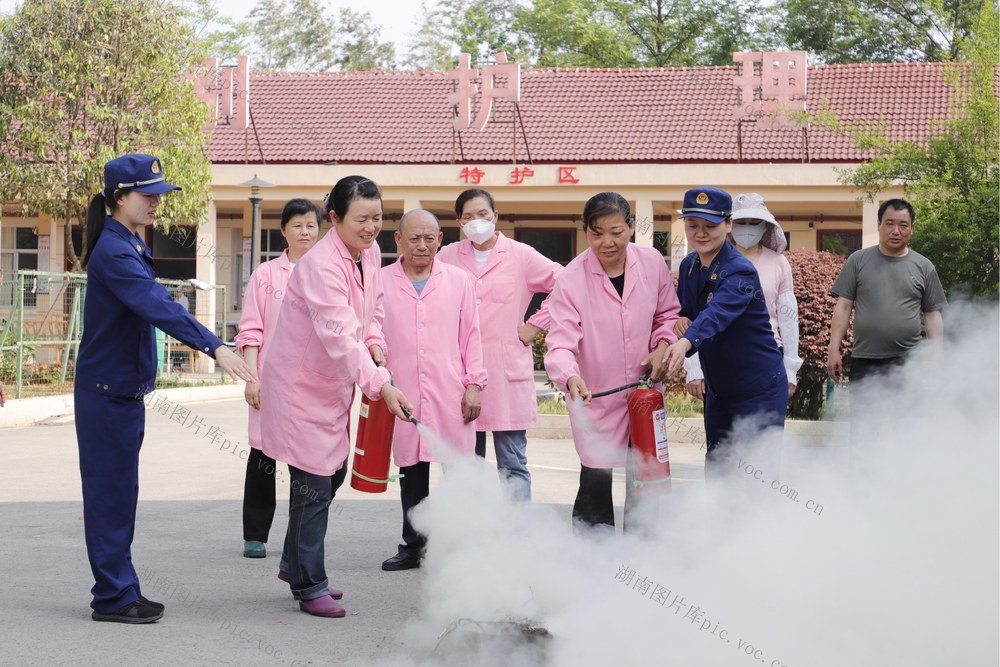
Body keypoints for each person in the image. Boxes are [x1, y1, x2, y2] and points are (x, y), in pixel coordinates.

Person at [75, 154, 256, 624]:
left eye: (159, 194)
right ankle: (113, 596)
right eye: (147, 194)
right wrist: (214, 346)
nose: (157, 203)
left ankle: (119, 587)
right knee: (110, 496)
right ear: (119, 198)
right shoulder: (115, 251)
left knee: (119, 493)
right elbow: (157, 305)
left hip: (120, 391)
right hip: (106, 392)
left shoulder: (128, 243)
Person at [259, 176, 412, 619]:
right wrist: (380, 382)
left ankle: (294, 565)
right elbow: (341, 336)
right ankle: (310, 584)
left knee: (331, 474)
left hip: (331, 386)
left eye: (378, 218)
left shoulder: (368, 254)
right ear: (334, 218)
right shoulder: (321, 265)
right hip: (299, 388)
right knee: (314, 485)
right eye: (361, 219)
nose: (371, 227)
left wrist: (377, 343)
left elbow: (372, 312)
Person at [544, 192, 680, 532]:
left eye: (616, 231)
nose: (607, 242)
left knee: (647, 478)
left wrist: (662, 344)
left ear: (631, 228)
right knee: (595, 479)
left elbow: (667, 314)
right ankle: (593, 561)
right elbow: (560, 340)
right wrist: (569, 377)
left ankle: (646, 553)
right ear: (586, 231)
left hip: (644, 393)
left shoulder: (650, 263)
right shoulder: (572, 278)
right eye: (597, 232)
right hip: (595, 396)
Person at [437, 188, 562, 500]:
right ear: (458, 223)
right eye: (468, 217)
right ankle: (470, 535)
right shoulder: (448, 256)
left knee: (512, 463)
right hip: (461, 373)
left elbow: (565, 282)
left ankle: (516, 538)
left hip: (505, 372)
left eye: (483, 214)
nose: (477, 221)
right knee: (464, 465)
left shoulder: (520, 255)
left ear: (496, 216)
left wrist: (536, 324)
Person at [379, 209, 486, 570]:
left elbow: (472, 336)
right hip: (402, 391)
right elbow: (371, 332)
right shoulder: (379, 282)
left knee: (457, 470)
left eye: (429, 238)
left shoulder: (459, 280)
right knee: (411, 472)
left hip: (450, 390)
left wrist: (474, 385)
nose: (422, 246)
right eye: (414, 238)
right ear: (398, 240)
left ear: (441, 240)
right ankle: (414, 546)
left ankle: (462, 545)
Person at [663, 187, 788, 480]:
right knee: (719, 470)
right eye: (693, 225)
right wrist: (682, 322)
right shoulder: (689, 265)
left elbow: (717, 314)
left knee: (757, 475)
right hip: (720, 390)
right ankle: (718, 528)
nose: (701, 233)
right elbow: (689, 312)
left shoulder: (740, 270)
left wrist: (685, 341)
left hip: (759, 389)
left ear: (728, 224)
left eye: (711, 226)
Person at [235, 199, 323, 559]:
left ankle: (300, 536)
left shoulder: (328, 273)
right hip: (271, 382)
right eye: (298, 225)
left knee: (311, 465)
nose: (305, 232)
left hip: (315, 385)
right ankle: (255, 534)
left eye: (311, 225)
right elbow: (251, 329)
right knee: (263, 458)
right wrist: (252, 378)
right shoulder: (266, 275)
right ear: (284, 230)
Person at [683, 193, 801, 401]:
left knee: (761, 431)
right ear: (730, 224)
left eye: (754, 222)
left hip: (763, 357)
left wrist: (790, 367)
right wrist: (693, 366)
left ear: (765, 226)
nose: (747, 228)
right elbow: (693, 316)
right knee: (722, 431)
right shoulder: (700, 262)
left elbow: (788, 317)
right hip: (715, 356)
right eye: (741, 222)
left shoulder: (779, 263)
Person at [827, 198, 945, 386]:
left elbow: (933, 315)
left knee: (908, 416)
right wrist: (833, 349)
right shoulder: (857, 261)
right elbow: (843, 307)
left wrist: (937, 355)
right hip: (865, 360)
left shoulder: (924, 267)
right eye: (889, 223)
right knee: (865, 416)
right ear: (879, 225)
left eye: (903, 225)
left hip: (909, 362)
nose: (896, 231)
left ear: (912, 228)